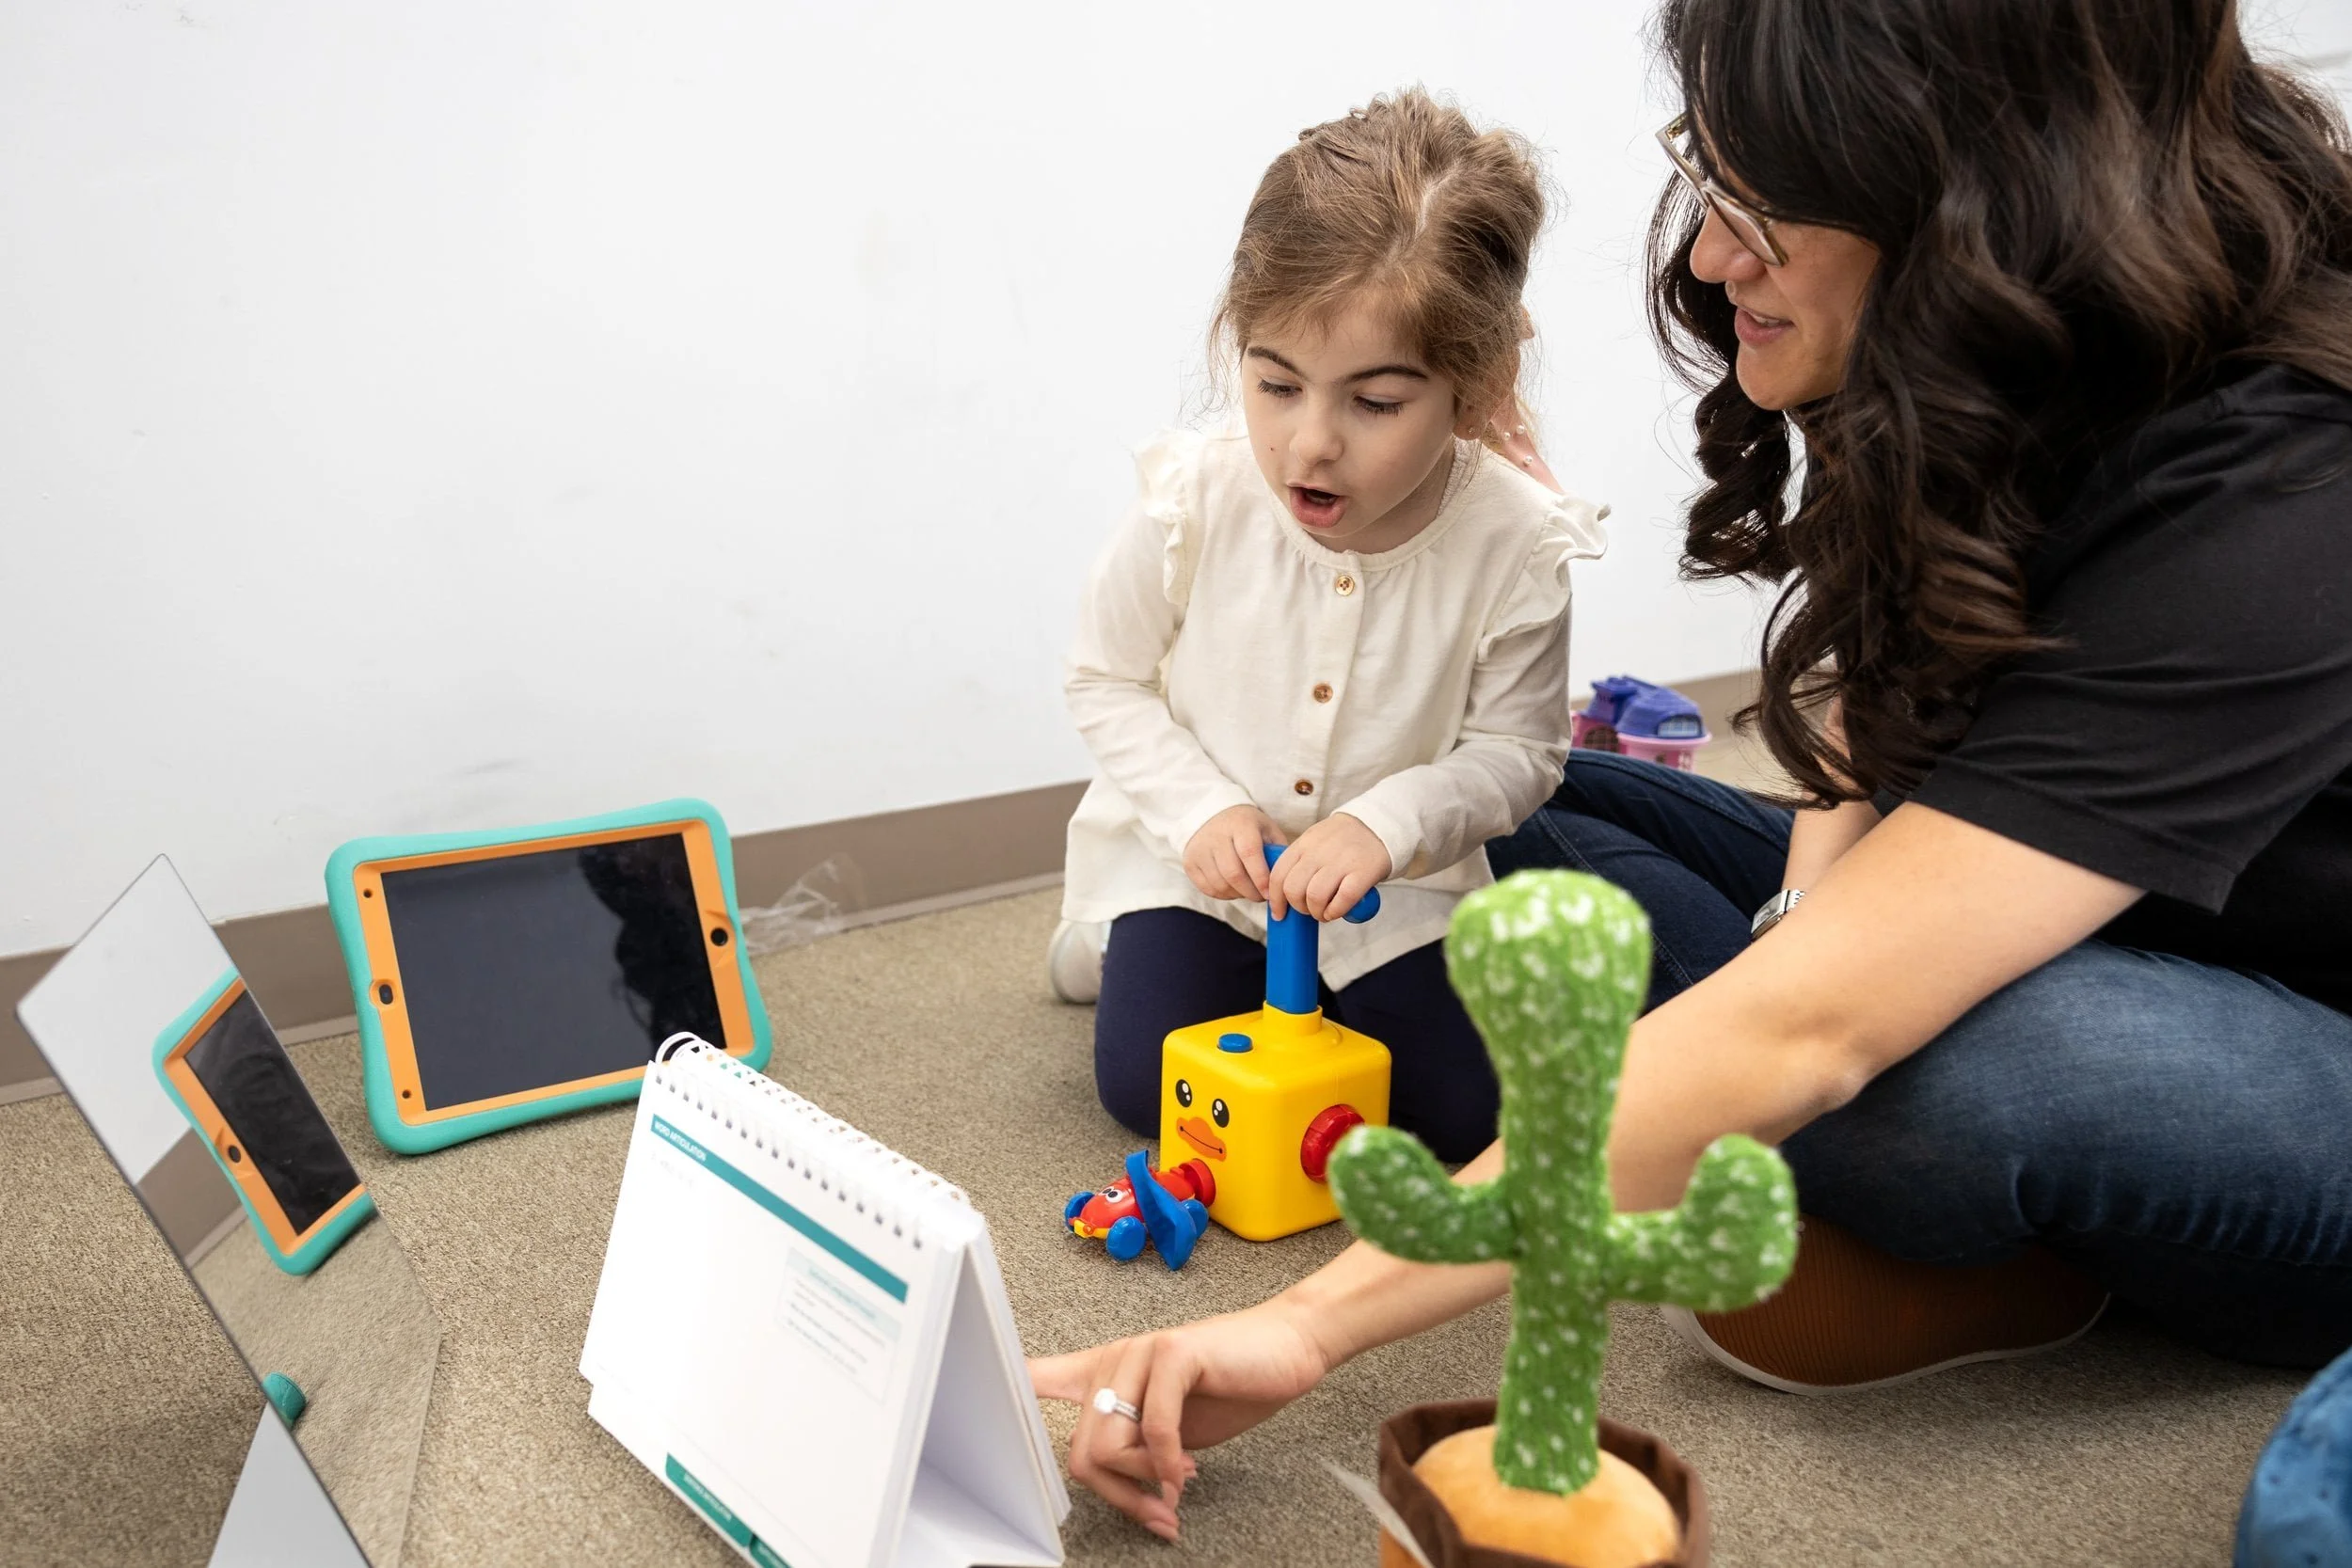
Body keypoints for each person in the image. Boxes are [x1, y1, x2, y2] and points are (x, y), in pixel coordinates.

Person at [1032, 0, 2352, 1543]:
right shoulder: (2002, 325)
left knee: (1902, 1072)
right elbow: (1890, 684)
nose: (1714, 259)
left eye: (1761, 211)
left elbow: (1821, 1018)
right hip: (2066, 882)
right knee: (1528, 823)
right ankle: (1779, 1111)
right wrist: (1805, 912)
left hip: (2297, 1018)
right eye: (1708, 186)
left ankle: (1961, 1206)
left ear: (1964, 207)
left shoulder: (2285, 484)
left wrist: (1311, 1323)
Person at [1053, 89, 1604, 1164]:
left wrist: (1384, 825)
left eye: (1376, 402)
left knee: (1467, 1113)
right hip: (1200, 873)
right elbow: (1102, 679)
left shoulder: (1519, 541)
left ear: (1476, 385)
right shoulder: (1194, 497)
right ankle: (1098, 935)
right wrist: (1202, 807)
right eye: (1274, 383)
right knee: (1144, 1084)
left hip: (1392, 892)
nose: (1309, 443)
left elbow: (1520, 753)